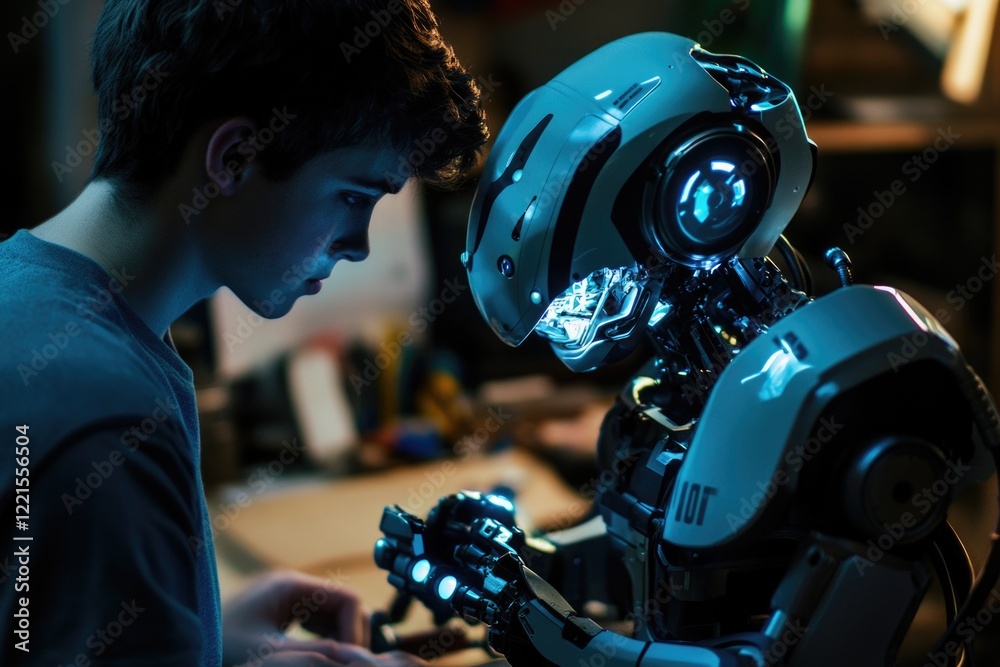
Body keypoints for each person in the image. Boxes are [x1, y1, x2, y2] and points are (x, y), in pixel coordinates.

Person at [0, 0, 488, 665]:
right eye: (354, 194)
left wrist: (204, 638)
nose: (360, 245)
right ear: (233, 157)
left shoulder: (24, 293)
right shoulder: (105, 422)